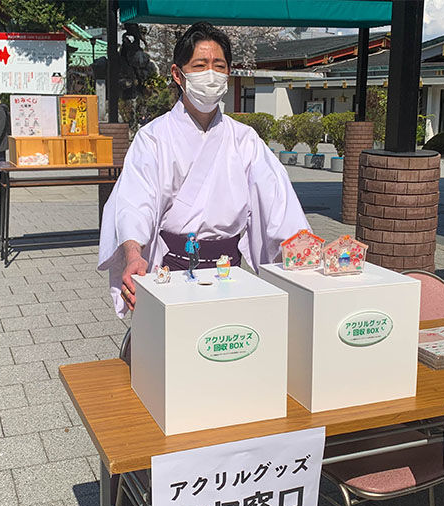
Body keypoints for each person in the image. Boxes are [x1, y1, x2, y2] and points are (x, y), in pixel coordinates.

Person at [98, 22, 309, 315]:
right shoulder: (153, 138)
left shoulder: (245, 139)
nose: (211, 74)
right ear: (177, 74)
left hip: (229, 273)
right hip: (169, 272)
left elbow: (276, 200)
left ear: (228, 73)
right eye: (200, 65)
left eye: (218, 65)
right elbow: (134, 202)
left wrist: (304, 246)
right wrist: (134, 254)